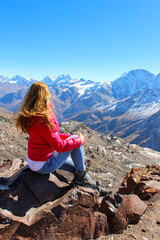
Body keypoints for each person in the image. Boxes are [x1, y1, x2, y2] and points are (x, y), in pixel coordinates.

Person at [15, 81, 96, 188]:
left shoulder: (30, 115)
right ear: (45, 96)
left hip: (33, 161)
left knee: (76, 166)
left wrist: (72, 138)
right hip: (44, 165)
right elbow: (59, 146)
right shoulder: (44, 118)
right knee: (77, 147)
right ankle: (86, 181)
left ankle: (83, 176)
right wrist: (79, 140)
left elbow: (51, 135)